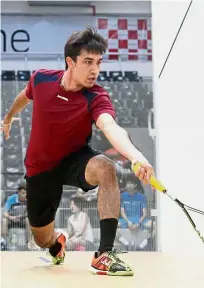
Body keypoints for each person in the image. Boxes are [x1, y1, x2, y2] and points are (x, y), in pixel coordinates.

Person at [0, 26, 155, 276]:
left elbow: (109, 125)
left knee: (106, 166)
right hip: (41, 168)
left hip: (75, 159)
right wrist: (7, 119)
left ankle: (104, 254)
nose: (95, 70)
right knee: (42, 239)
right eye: (88, 62)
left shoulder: (95, 96)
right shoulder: (41, 79)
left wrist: (136, 156)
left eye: (99, 62)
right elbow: (24, 96)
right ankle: (56, 245)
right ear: (70, 62)